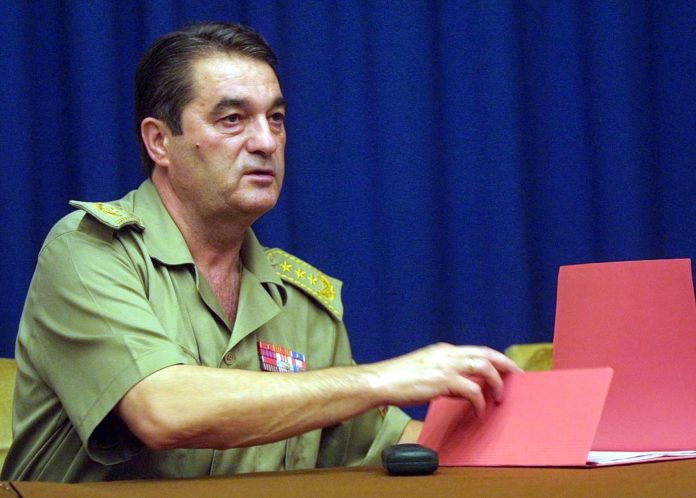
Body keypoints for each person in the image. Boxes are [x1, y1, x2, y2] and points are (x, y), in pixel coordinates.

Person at [1, 21, 520, 482]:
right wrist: (385, 378)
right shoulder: (89, 252)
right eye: (233, 119)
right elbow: (163, 410)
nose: (266, 142)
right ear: (159, 141)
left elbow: (386, 444)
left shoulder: (303, 304)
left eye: (276, 118)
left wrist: (529, 436)